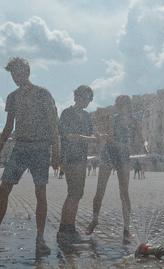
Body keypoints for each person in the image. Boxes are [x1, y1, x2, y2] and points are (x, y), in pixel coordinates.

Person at [0, 57, 59, 256]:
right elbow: (9, 126)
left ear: (26, 71)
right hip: (20, 147)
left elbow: (53, 124)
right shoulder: (12, 97)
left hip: (40, 149)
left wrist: (56, 152)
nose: (15, 78)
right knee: (3, 189)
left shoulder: (43, 93)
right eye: (12, 75)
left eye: (18, 73)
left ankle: (40, 239)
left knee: (40, 192)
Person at [86, 95, 144, 244]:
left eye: (122, 104)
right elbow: (108, 137)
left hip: (123, 156)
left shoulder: (134, 121)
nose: (120, 107)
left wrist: (138, 144)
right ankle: (95, 219)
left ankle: (126, 228)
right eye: (118, 104)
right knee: (100, 190)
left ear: (128, 105)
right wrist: (105, 138)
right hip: (109, 154)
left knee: (124, 192)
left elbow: (139, 139)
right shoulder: (113, 119)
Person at [57, 85, 97, 245]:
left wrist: (97, 136)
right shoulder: (67, 113)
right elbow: (67, 135)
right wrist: (87, 138)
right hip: (70, 157)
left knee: (77, 193)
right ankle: (65, 227)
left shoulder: (87, 116)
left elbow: (90, 134)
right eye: (85, 97)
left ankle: (68, 226)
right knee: (73, 192)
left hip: (81, 157)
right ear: (76, 97)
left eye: (90, 98)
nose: (87, 101)